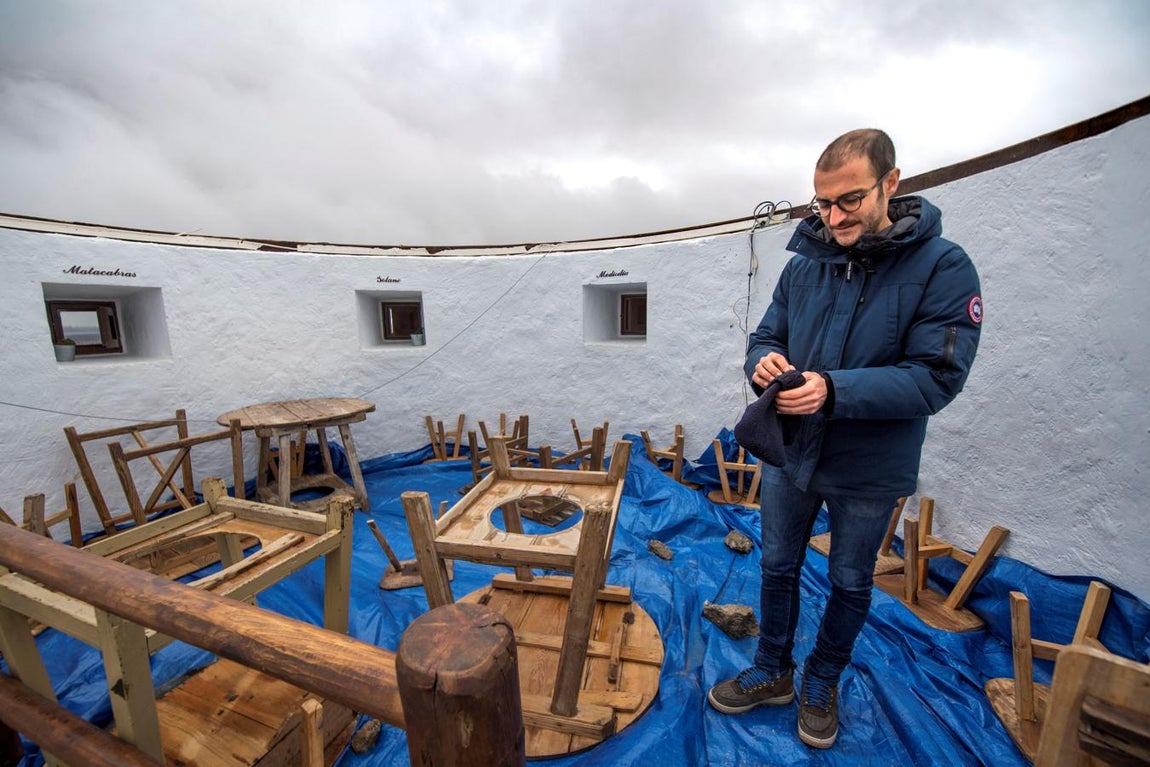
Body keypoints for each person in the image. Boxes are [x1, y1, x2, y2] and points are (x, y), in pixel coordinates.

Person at [707, 129, 983, 748]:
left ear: (891, 183)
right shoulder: (805, 265)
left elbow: (937, 378)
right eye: (821, 205)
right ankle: (774, 670)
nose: (833, 218)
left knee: (851, 580)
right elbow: (765, 335)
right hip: (790, 452)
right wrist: (765, 361)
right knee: (777, 566)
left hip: (869, 466)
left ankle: (821, 679)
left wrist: (835, 390)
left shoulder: (943, 267)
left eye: (849, 201)